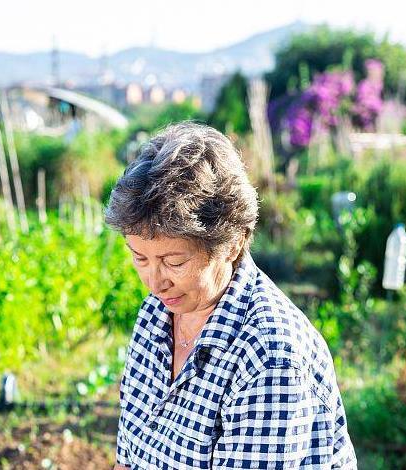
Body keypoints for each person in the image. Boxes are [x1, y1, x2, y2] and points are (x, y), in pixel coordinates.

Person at [106, 123, 357, 469]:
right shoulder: (155, 316)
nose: (154, 282)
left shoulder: (269, 355)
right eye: (140, 258)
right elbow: (128, 459)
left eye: (174, 261)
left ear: (232, 243)